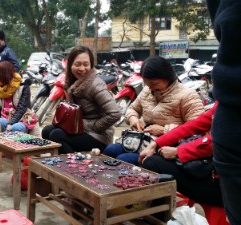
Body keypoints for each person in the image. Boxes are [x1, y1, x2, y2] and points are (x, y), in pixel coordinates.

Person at [103, 56, 204, 165]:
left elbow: (197, 130)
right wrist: (133, 118)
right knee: (110, 150)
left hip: (167, 146)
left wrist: (164, 130)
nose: (150, 87)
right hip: (143, 141)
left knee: (124, 159)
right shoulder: (147, 91)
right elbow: (133, 109)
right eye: (147, 84)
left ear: (167, 77)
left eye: (153, 83)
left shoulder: (188, 96)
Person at [42, 46, 121, 154]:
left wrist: (91, 126)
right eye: (77, 64)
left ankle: (73, 166)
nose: (82, 68)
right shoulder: (71, 82)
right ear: (70, 65)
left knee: (57, 135)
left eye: (86, 64)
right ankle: (59, 162)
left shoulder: (95, 85)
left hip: (99, 136)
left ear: (91, 65)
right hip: (80, 130)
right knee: (47, 131)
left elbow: (115, 114)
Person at [139, 103, 221, 206]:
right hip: (203, 160)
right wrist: (156, 144)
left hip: (224, 183)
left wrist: (178, 151)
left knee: (152, 163)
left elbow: (221, 141)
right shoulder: (225, 100)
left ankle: (159, 215)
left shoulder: (230, 100)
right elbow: (195, 124)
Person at [206, 1, 241, 224]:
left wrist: (178, 151)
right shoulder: (147, 95)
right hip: (231, 133)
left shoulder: (183, 95)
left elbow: (198, 123)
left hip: (213, 147)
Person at [0, 61, 32, 133]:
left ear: (3, 76)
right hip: (5, 118)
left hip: (22, 119)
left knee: (16, 128)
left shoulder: (23, 87)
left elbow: (21, 109)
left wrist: (10, 124)